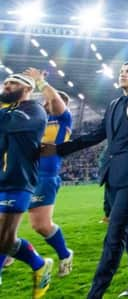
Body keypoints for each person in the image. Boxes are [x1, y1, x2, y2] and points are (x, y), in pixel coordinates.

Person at [41, 61, 128, 298]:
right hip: (112, 175)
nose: (123, 74)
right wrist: (59, 149)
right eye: (121, 71)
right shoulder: (114, 104)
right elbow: (97, 135)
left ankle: (95, 293)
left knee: (115, 235)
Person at [0, 68, 74, 280]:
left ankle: (64, 254)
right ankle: (8, 253)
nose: (47, 102)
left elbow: (54, 101)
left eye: (52, 100)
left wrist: (40, 82)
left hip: (44, 175)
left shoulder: (61, 119)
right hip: (19, 172)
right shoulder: (25, 117)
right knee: (6, 226)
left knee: (40, 225)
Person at [0, 73, 53, 297]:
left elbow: (13, 124)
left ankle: (39, 264)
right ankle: (38, 263)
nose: (7, 85)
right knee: (3, 239)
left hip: (17, 180)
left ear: (27, 89)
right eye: (5, 82)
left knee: (3, 239)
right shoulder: (6, 112)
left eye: (13, 82)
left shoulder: (34, 110)